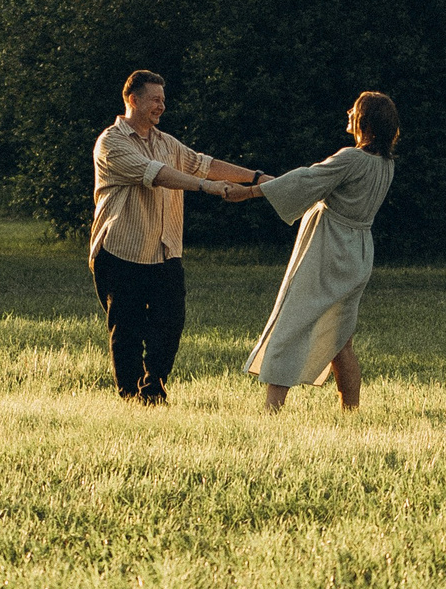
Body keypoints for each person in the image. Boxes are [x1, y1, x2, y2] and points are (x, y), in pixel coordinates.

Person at [88, 70, 261, 403]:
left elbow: (204, 164)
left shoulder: (166, 142)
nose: (161, 106)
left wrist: (256, 178)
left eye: (163, 100)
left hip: (164, 250)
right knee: (126, 330)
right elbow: (156, 174)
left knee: (170, 325)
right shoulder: (111, 142)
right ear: (132, 100)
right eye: (155, 99)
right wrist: (208, 188)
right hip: (121, 250)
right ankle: (131, 397)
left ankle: (154, 389)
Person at [240, 91, 401, 412]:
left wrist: (252, 191)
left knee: (292, 323)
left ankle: (271, 411)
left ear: (364, 120)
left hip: (329, 251)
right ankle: (350, 412)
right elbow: (314, 183)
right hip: (357, 253)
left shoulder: (352, 158)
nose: (348, 112)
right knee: (341, 339)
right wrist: (271, 185)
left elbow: (309, 178)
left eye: (354, 110)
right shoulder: (385, 165)